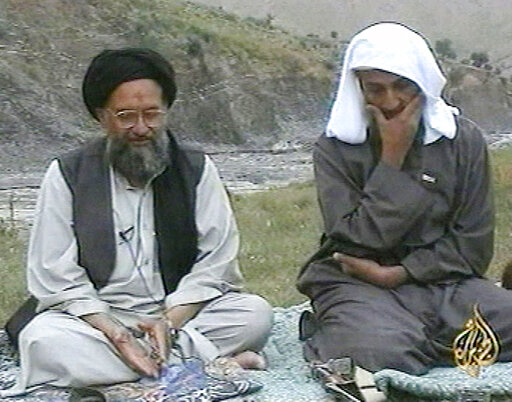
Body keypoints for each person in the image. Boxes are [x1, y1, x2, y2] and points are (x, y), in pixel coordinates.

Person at [3, 48, 273, 395]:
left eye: (152, 114)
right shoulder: (68, 174)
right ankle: (211, 363)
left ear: (166, 110)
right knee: (44, 340)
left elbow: (216, 262)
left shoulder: (196, 169)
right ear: (101, 116)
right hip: (97, 320)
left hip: (178, 313)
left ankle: (135, 369)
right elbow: (54, 273)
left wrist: (168, 323)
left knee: (254, 314)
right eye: (126, 116)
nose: (142, 128)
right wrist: (115, 332)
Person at [297, 21, 512, 381]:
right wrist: (392, 157)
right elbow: (356, 239)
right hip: (358, 284)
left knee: (393, 345)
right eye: (375, 89)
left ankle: (409, 340)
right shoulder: (335, 149)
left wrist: (400, 274)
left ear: (422, 83)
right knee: (377, 351)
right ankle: (396, 340)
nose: (391, 102)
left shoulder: (463, 141)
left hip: (445, 285)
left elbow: (472, 248)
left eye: (403, 86)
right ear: (358, 88)